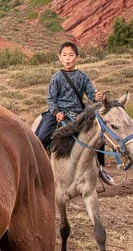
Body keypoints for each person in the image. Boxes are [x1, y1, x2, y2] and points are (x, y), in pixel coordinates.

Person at [38, 41, 112, 185]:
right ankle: (38, 169)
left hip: (79, 113)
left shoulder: (82, 77)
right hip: (59, 113)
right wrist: (56, 112)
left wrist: (96, 96)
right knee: (41, 138)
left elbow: (91, 94)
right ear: (59, 57)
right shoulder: (57, 77)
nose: (67, 58)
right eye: (64, 55)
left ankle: (101, 168)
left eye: (71, 55)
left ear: (77, 57)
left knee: (98, 134)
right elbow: (51, 99)